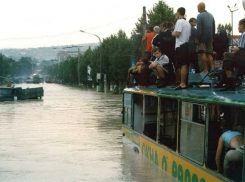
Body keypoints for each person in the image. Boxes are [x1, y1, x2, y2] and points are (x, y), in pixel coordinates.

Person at [221, 18, 245, 91]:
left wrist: (234, 50)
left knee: (227, 55)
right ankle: (230, 83)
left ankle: (229, 83)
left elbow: (238, 50)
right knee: (228, 61)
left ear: (242, 25)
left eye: (238, 25)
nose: (238, 27)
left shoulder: (244, 34)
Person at [172, 7, 191, 90]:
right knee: (185, 65)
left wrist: (172, 33)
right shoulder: (187, 23)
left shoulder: (179, 21)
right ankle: (184, 82)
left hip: (180, 45)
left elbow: (177, 33)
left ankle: (182, 83)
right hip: (186, 45)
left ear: (178, 13)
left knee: (182, 65)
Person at [196, 2, 215, 74]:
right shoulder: (211, 16)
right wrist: (212, 37)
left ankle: (206, 70)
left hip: (202, 38)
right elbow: (213, 27)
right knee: (209, 53)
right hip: (210, 38)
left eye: (198, 7)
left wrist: (197, 38)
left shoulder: (199, 16)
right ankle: (212, 69)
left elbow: (199, 28)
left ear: (200, 7)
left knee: (203, 53)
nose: (197, 8)